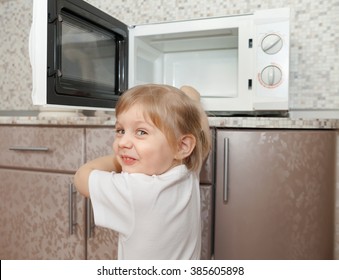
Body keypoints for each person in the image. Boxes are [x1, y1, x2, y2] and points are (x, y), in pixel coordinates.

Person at [74, 84, 211, 260]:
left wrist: (119, 158)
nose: (123, 142)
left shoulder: (134, 190)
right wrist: (192, 98)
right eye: (120, 130)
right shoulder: (188, 170)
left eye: (141, 132)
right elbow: (202, 139)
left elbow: (81, 177)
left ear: (182, 146)